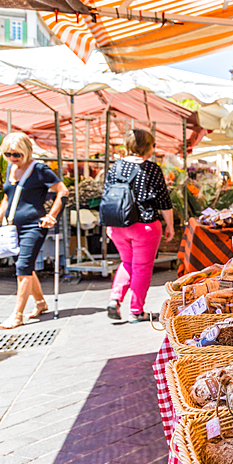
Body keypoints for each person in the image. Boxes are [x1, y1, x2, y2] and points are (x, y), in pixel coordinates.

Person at [0, 132, 69, 329]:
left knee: (23, 267)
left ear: (27, 152)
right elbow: (6, 199)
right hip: (12, 225)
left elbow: (62, 191)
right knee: (26, 267)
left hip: (34, 225)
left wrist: (52, 215)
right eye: (8, 154)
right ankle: (40, 303)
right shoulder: (10, 169)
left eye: (17, 155)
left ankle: (17, 315)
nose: (13, 158)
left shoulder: (39, 169)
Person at [105, 130, 175, 322]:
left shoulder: (115, 167)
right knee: (142, 267)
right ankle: (136, 310)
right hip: (145, 226)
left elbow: (107, 196)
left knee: (127, 262)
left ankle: (115, 299)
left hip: (118, 225)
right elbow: (164, 201)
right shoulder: (152, 169)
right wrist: (170, 225)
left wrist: (108, 224)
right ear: (148, 147)